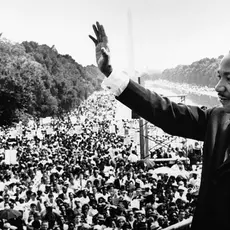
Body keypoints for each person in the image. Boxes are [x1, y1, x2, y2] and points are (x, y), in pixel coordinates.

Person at [89, 21, 230, 230]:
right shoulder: (218, 118)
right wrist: (111, 73)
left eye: (229, 78)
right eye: (219, 77)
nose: (218, 87)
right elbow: (167, 112)